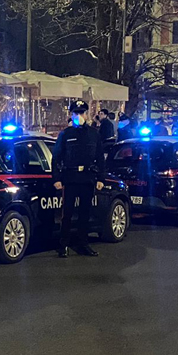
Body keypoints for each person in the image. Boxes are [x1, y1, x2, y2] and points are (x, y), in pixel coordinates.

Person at [52, 100, 104, 257]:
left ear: (87, 114)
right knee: (67, 213)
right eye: (76, 113)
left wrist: (101, 178)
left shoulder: (94, 134)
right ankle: (64, 244)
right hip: (70, 178)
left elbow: (100, 158)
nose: (79, 116)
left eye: (81, 113)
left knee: (85, 213)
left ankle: (83, 244)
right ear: (71, 115)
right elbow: (56, 158)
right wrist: (57, 178)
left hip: (87, 178)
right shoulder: (66, 134)